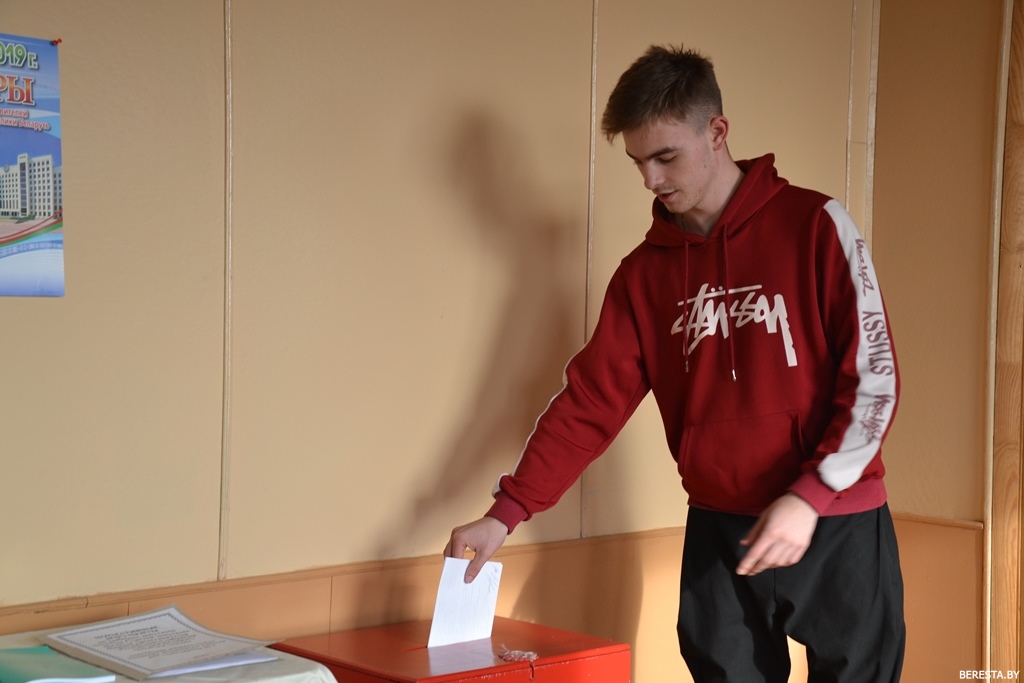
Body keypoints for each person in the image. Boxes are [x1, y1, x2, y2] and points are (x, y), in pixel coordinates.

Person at [444, 44, 905, 682]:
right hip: (719, 525)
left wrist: (812, 494)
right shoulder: (643, 275)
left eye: (666, 157)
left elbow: (874, 380)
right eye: (638, 162)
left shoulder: (817, 225)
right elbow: (589, 403)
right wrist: (506, 512)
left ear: (716, 132)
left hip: (836, 518)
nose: (651, 181)